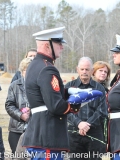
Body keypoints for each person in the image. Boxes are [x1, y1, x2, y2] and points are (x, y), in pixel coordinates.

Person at [23, 27, 82, 160]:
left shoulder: (35, 65)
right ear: (47, 45)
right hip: (48, 135)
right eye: (59, 43)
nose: (62, 47)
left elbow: (46, 93)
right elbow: (55, 106)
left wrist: (68, 92)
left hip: (40, 134)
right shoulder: (47, 68)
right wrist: (77, 102)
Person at [65, 57, 107, 160]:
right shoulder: (68, 87)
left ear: (92, 71)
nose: (84, 72)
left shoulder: (99, 88)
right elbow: (65, 109)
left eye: (87, 69)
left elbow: (102, 110)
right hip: (74, 133)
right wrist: (79, 123)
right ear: (77, 69)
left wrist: (87, 125)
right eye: (82, 69)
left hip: (94, 133)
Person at [5, 58, 32, 154]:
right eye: (26, 70)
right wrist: (21, 115)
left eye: (31, 69)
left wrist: (31, 112)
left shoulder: (40, 86)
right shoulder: (14, 85)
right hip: (16, 129)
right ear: (21, 72)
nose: (28, 72)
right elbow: (9, 105)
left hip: (34, 128)